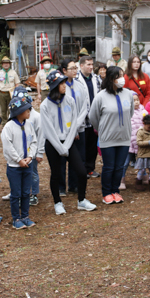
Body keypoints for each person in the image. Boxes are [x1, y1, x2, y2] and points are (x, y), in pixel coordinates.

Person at [41, 70, 94, 215]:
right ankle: (57, 202)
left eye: (64, 82)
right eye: (61, 83)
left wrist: (67, 145)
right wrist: (60, 147)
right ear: (54, 86)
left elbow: (74, 123)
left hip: (69, 142)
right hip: (53, 144)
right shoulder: (44, 106)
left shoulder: (70, 100)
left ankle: (82, 200)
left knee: (82, 172)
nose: (65, 86)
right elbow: (48, 130)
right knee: (56, 174)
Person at [89, 66, 134, 205]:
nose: (122, 79)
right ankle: (107, 193)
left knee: (120, 166)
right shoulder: (101, 96)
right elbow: (93, 117)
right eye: (118, 76)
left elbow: (130, 113)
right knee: (109, 166)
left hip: (124, 137)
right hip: (107, 138)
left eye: (122, 75)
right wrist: (102, 129)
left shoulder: (128, 94)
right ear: (110, 79)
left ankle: (116, 191)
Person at [1, 96, 37, 229]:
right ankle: (16, 218)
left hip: (27, 165)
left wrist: (30, 156)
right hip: (14, 167)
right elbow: (8, 147)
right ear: (18, 112)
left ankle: (25, 216)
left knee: (26, 192)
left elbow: (33, 141)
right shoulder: (8, 128)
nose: (29, 112)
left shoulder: (29, 125)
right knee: (16, 194)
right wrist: (18, 160)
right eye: (26, 110)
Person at [59, 58, 89, 196]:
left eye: (75, 68)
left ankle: (74, 184)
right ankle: (61, 187)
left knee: (78, 158)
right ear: (64, 70)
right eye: (72, 68)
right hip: (65, 130)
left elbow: (84, 106)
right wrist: (71, 129)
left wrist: (76, 126)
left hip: (80, 128)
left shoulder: (79, 86)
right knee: (61, 159)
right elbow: (62, 110)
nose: (75, 71)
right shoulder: (60, 86)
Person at [12, 86, 45, 206]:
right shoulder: (16, 118)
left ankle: (34, 194)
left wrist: (39, 152)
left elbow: (41, 135)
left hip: (32, 151)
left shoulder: (36, 117)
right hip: (19, 151)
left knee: (32, 173)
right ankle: (21, 193)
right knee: (19, 172)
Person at [74, 55, 102, 179]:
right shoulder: (75, 79)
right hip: (81, 118)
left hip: (94, 118)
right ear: (81, 66)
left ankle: (90, 168)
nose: (91, 67)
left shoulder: (97, 79)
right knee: (81, 145)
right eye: (88, 64)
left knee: (92, 145)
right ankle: (82, 169)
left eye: (92, 64)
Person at [121, 92, 147, 190]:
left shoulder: (143, 111)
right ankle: (121, 179)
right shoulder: (126, 112)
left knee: (142, 161)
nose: (136, 102)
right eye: (133, 100)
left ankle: (143, 176)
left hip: (141, 142)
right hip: (129, 143)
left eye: (137, 100)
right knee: (125, 162)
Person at [0, 56, 19, 125]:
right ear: (2, 64)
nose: (6, 64)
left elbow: (17, 84)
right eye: (4, 63)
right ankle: (4, 123)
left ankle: (11, 122)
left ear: (9, 64)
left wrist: (15, 93)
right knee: (3, 110)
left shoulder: (13, 73)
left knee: (11, 108)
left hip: (11, 94)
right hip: (2, 93)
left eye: (7, 63)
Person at [135, 114, 150, 189]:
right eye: (149, 127)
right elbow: (139, 142)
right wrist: (148, 142)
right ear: (144, 124)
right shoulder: (140, 132)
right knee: (142, 169)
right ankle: (138, 183)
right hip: (143, 155)